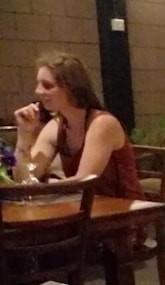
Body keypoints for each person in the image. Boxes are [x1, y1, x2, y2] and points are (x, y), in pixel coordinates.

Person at [12, 52, 144, 200]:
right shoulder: (56, 125)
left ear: (71, 88)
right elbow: (25, 179)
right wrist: (24, 134)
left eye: (48, 86)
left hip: (123, 206)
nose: (38, 91)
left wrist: (46, 187)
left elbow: (84, 180)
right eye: (38, 84)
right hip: (84, 204)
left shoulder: (102, 123)